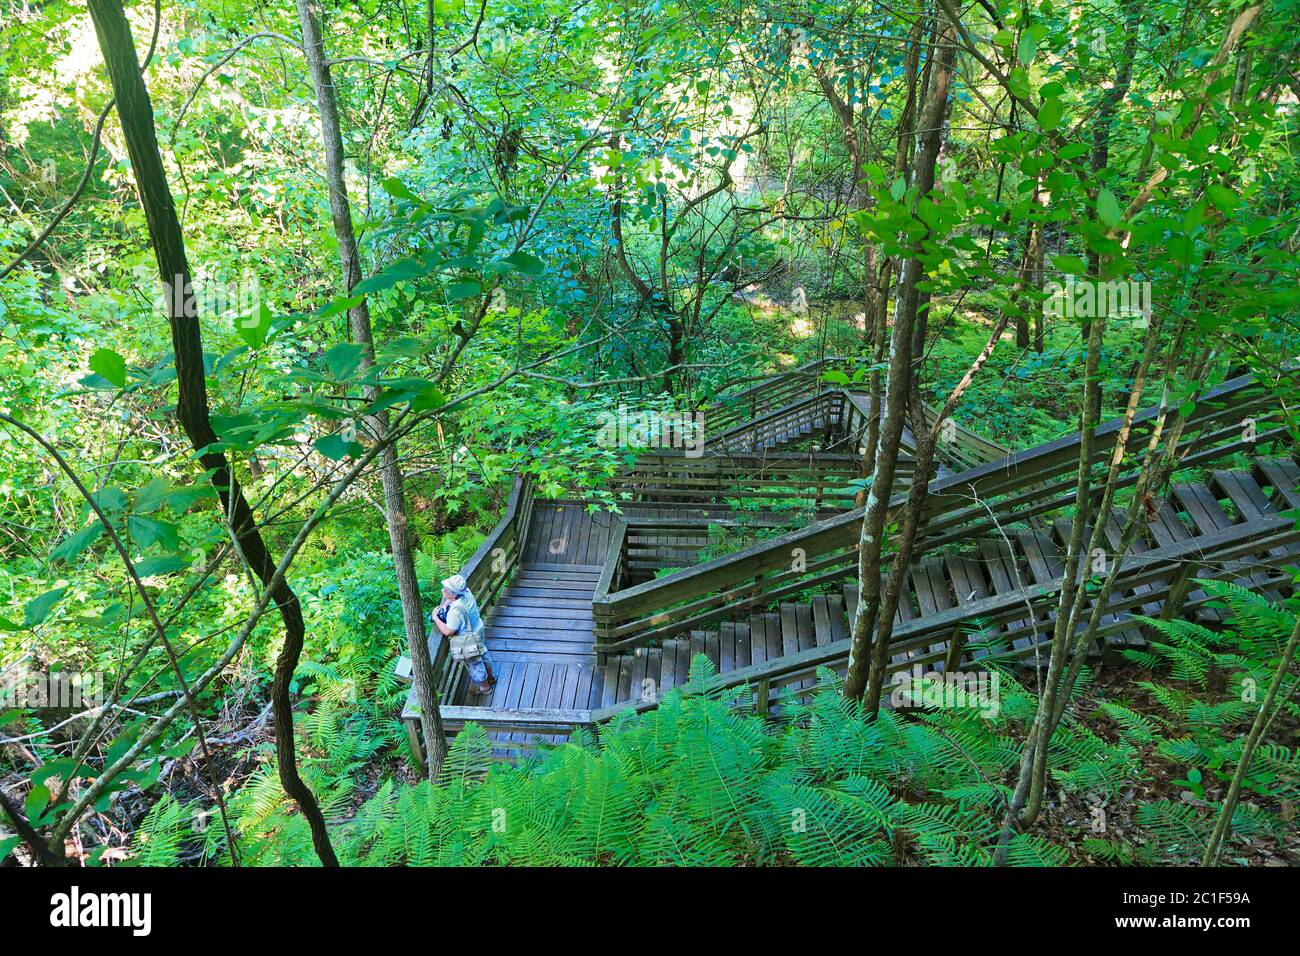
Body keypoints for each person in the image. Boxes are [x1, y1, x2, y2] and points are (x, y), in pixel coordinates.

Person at [432, 574, 496, 695]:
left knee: (475, 663)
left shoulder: (455, 612)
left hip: (467, 639)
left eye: (445, 589)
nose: (442, 590)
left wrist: (435, 617)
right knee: (483, 653)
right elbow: (455, 598)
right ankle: (491, 677)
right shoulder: (467, 592)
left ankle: (485, 688)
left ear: (454, 594)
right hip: (478, 630)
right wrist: (446, 604)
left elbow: (448, 631)